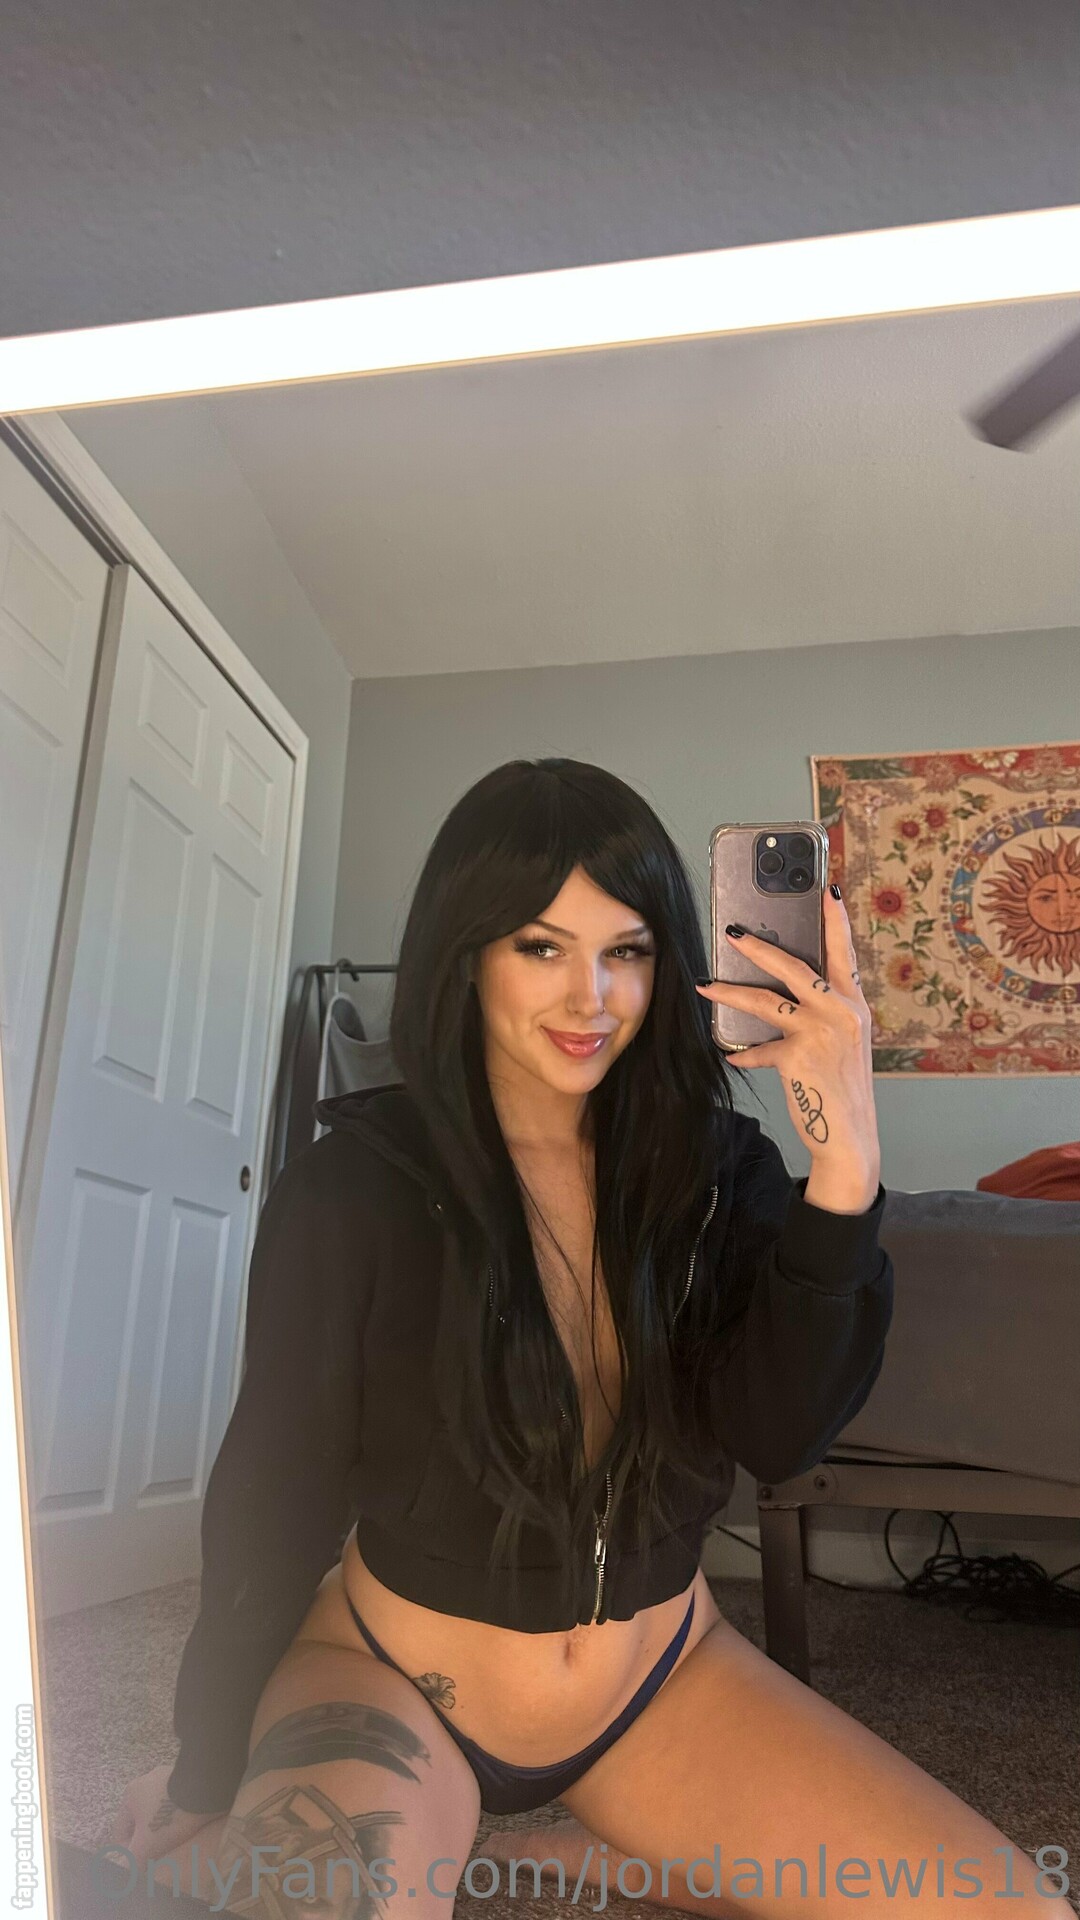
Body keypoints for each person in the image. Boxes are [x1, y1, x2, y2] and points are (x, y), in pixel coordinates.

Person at [103, 759, 1067, 1920]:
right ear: (466, 954)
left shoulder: (721, 1172)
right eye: (541, 947)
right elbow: (273, 1492)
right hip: (392, 1679)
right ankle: (542, 1843)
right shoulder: (355, 1186)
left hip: (662, 1682)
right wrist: (208, 1765)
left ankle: (579, 1845)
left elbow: (779, 1434)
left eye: (628, 950)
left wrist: (847, 1164)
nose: (591, 997)